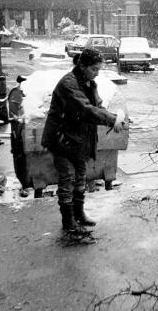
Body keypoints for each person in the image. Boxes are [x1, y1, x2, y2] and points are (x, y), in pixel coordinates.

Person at [42, 48, 127, 233]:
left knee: (81, 176)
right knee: (67, 179)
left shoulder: (90, 84)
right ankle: (68, 222)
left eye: (99, 70)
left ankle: (79, 214)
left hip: (77, 139)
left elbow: (97, 106)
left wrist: (114, 117)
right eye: (94, 69)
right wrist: (112, 120)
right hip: (61, 139)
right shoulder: (68, 84)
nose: (96, 74)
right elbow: (85, 109)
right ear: (82, 66)